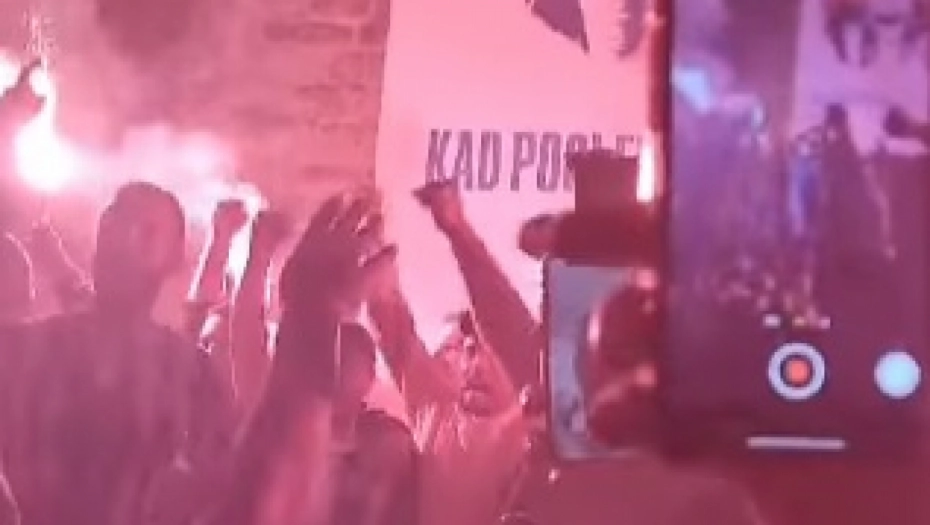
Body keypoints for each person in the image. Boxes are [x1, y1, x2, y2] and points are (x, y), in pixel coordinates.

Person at [0, 181, 235, 525]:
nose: (125, 240)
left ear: (173, 258)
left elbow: (221, 477)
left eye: (147, 232)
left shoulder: (192, 374)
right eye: (115, 223)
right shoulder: (26, 349)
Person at [206, 192, 398, 525]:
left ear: (370, 375)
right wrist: (261, 259)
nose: (334, 363)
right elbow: (247, 334)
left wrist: (319, 312)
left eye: (344, 355)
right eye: (334, 350)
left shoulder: (381, 447)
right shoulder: (274, 412)